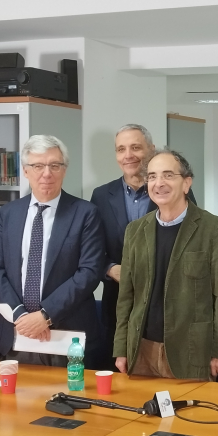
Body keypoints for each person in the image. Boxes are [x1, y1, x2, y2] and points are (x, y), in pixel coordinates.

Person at [0, 135, 105, 366]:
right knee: (14, 401)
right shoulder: (8, 214)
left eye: (54, 165)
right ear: (26, 171)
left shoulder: (85, 213)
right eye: (38, 166)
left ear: (64, 170)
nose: (47, 173)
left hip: (67, 336)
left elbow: (89, 272)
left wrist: (45, 315)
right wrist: (20, 315)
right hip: (17, 335)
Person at [114, 148, 218, 379]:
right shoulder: (135, 231)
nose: (159, 183)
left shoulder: (214, 230)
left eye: (168, 175)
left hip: (191, 351)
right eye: (152, 176)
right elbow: (126, 296)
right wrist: (121, 348)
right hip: (141, 350)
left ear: (187, 183)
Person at [90, 123, 156, 371]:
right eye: (121, 149)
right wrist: (109, 269)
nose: (128, 155)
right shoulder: (100, 195)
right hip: (115, 307)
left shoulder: (170, 191)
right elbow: (91, 249)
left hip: (160, 304)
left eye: (136, 147)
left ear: (151, 149)